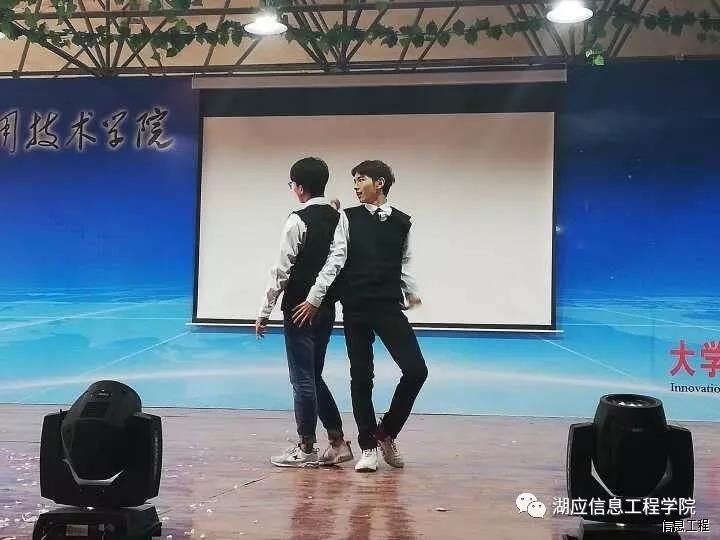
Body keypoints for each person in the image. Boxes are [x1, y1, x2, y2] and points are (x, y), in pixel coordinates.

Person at [292, 160, 428, 473]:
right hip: (355, 307)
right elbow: (336, 259)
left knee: (416, 370)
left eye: (361, 179)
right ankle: (368, 446)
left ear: (380, 183)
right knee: (362, 377)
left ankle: (386, 432)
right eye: (353, 180)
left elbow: (404, 262)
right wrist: (315, 297)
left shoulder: (402, 222)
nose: (355, 186)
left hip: (388, 306)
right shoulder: (346, 217)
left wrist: (411, 292)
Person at [256, 157, 353, 468]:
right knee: (313, 375)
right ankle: (337, 442)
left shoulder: (297, 220)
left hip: (299, 309)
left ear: (299, 187)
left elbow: (281, 270)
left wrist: (265, 309)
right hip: (326, 308)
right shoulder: (339, 217)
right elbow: (337, 262)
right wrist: (318, 297)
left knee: (302, 380)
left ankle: (306, 447)